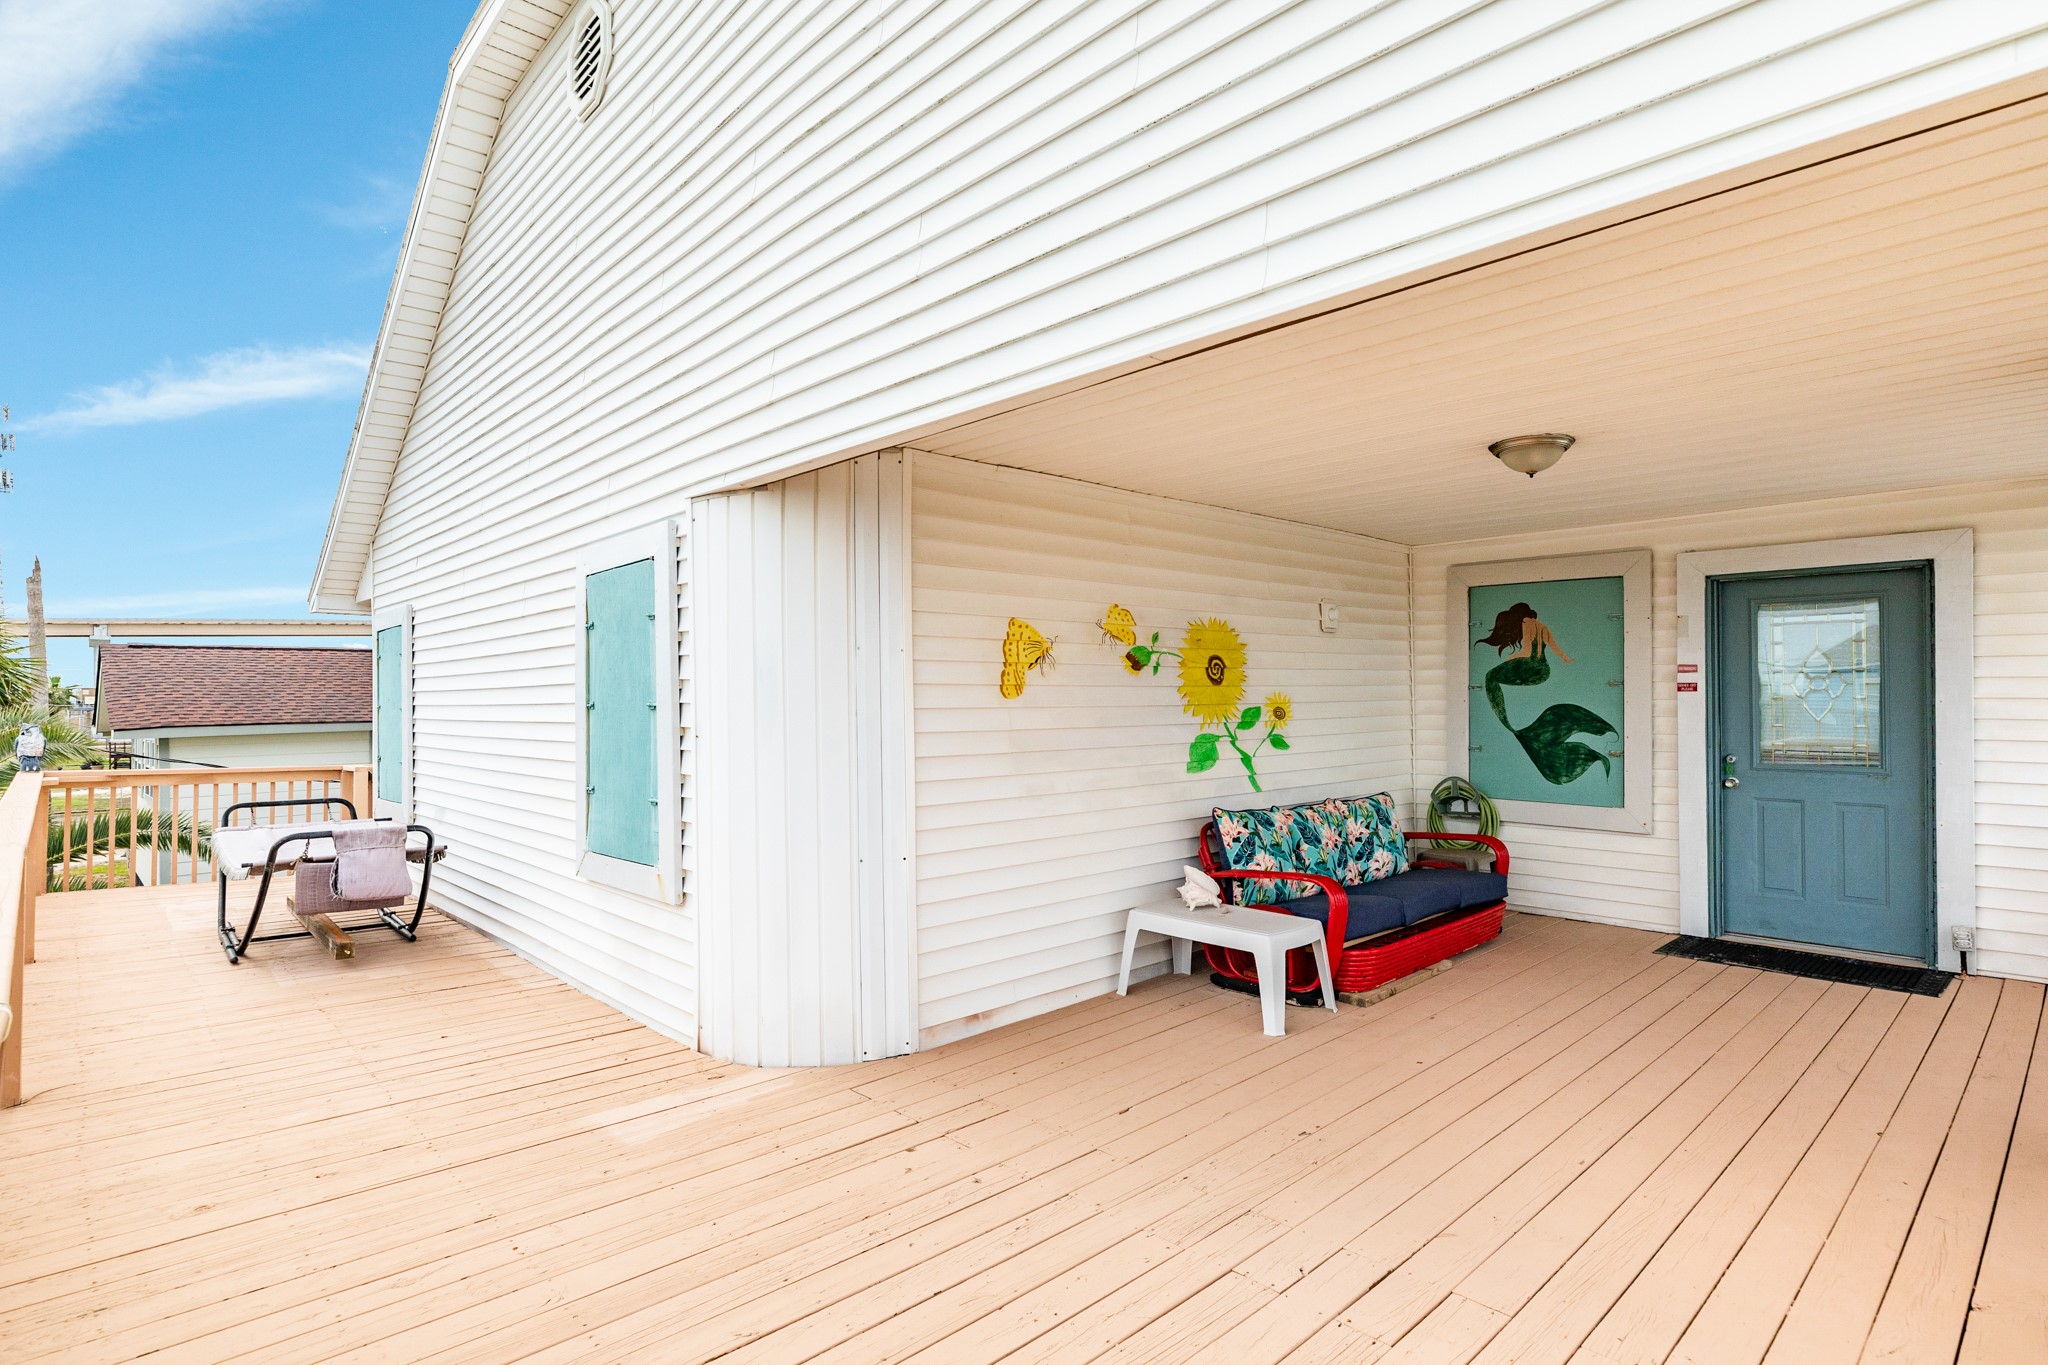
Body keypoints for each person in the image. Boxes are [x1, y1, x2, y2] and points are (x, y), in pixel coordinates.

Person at [1476, 603, 1615, 786]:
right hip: (1542, 671)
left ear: (1522, 616)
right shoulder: (1542, 626)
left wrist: (1510, 659)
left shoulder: (1527, 624)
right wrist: (1565, 658)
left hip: (1530, 667)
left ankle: (1510, 724)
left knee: (1490, 676)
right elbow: (1554, 645)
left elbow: (1526, 651)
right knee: (1493, 679)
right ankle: (1516, 728)